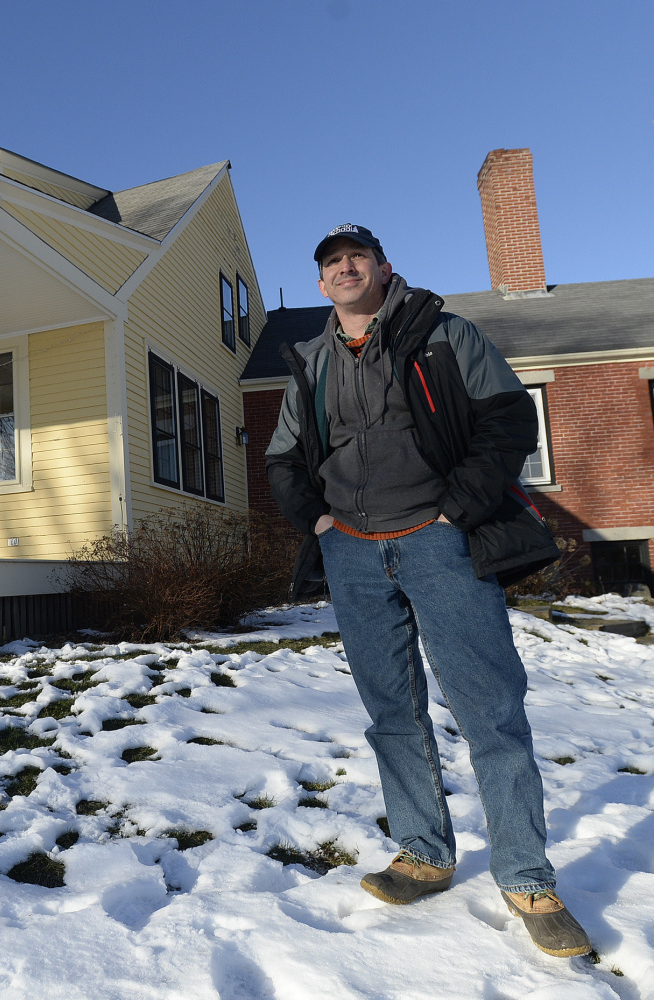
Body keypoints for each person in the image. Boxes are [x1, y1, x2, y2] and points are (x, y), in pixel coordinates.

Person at [265, 223, 591, 959]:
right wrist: (317, 521)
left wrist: (457, 509)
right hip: (350, 549)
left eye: (357, 256)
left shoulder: (444, 334)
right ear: (321, 284)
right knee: (390, 712)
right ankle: (423, 854)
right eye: (331, 262)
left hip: (438, 539)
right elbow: (282, 457)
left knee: (489, 708)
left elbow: (509, 416)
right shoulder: (310, 361)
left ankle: (526, 878)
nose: (345, 267)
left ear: (383, 268)